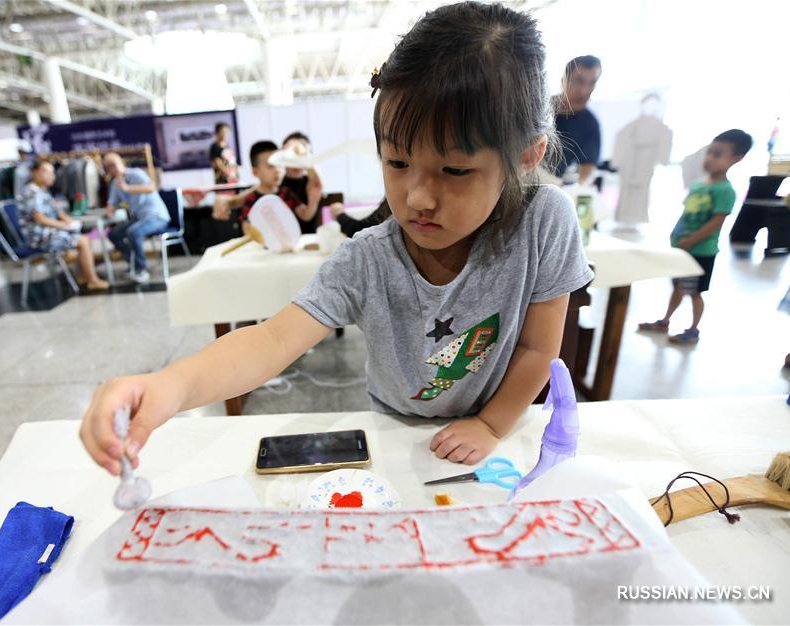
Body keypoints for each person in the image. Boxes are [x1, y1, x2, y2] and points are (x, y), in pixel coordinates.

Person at [80, 1, 592, 476]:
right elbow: (271, 340)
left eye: (454, 169)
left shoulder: (545, 221)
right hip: (393, 431)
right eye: (397, 162)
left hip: (499, 432)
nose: (417, 197)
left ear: (526, 156)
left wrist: (490, 425)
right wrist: (167, 386)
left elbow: (536, 350)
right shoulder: (369, 257)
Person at [638, 129, 752, 344]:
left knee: (695, 292)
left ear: (736, 159)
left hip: (701, 252)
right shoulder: (699, 185)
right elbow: (687, 214)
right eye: (709, 152)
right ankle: (665, 320)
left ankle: (693, 329)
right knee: (678, 287)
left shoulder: (725, 190)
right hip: (683, 249)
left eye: (717, 154)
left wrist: (692, 240)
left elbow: (716, 222)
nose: (709, 158)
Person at [18, 159, 109, 291]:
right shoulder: (31, 192)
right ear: (34, 172)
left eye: (52, 172)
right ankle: (92, 280)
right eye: (46, 172)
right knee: (83, 241)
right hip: (38, 237)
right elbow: (40, 219)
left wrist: (68, 220)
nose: (50, 176)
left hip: (47, 232)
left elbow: (55, 211)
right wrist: (63, 225)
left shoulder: (42, 190)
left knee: (85, 239)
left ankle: (82, 275)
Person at [102, 153, 171, 284]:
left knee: (133, 232)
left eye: (114, 165)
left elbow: (151, 187)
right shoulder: (115, 184)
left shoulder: (136, 174)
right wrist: (109, 209)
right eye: (108, 167)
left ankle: (141, 270)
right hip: (139, 218)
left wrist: (128, 188)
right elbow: (112, 203)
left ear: (121, 162)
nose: (112, 169)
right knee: (114, 234)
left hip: (156, 216)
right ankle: (133, 262)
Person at [211, 140, 310, 225]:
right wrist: (223, 201)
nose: (277, 170)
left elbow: (307, 214)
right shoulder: (263, 191)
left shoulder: (292, 188)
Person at [553, 55, 602, 184]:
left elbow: (587, 169)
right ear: (564, 79)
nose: (584, 91)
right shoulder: (538, 109)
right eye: (579, 81)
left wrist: (574, 190)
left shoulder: (590, 124)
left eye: (591, 84)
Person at [279, 132, 324, 233]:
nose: (297, 161)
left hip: (310, 239)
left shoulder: (312, 182)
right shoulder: (277, 184)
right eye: (293, 154)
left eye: (302, 156)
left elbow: (317, 181)